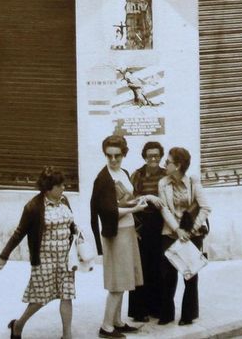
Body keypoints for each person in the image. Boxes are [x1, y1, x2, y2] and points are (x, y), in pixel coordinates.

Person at [0, 166, 85, 339]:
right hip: (44, 259)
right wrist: (3, 257)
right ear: (49, 188)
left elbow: (71, 224)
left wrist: (77, 236)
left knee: (67, 295)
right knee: (40, 299)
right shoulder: (33, 207)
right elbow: (19, 233)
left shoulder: (64, 201)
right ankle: (18, 325)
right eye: (60, 185)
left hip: (65, 258)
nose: (64, 188)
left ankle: (67, 336)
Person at [90, 135, 151, 338]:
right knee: (117, 282)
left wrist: (137, 202)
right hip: (115, 234)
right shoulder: (103, 178)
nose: (113, 159)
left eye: (117, 155)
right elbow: (107, 211)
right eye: (109, 156)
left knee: (124, 279)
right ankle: (106, 327)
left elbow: (128, 200)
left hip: (128, 231)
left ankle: (116, 321)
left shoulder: (123, 173)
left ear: (124, 154)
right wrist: (135, 209)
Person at [155, 145, 210, 327]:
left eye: (168, 162)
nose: (165, 165)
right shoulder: (163, 183)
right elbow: (164, 209)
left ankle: (188, 314)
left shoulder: (193, 182)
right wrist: (177, 230)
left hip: (191, 235)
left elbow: (205, 207)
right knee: (167, 276)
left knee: (190, 275)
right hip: (170, 233)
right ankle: (166, 314)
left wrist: (192, 230)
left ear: (178, 165)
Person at [127, 141, 167, 325]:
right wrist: (148, 197)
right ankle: (139, 311)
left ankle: (156, 308)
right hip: (141, 225)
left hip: (161, 225)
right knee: (140, 267)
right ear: (144, 156)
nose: (153, 158)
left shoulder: (166, 175)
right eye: (150, 155)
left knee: (158, 267)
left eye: (156, 155)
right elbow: (129, 199)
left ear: (161, 156)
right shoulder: (137, 175)